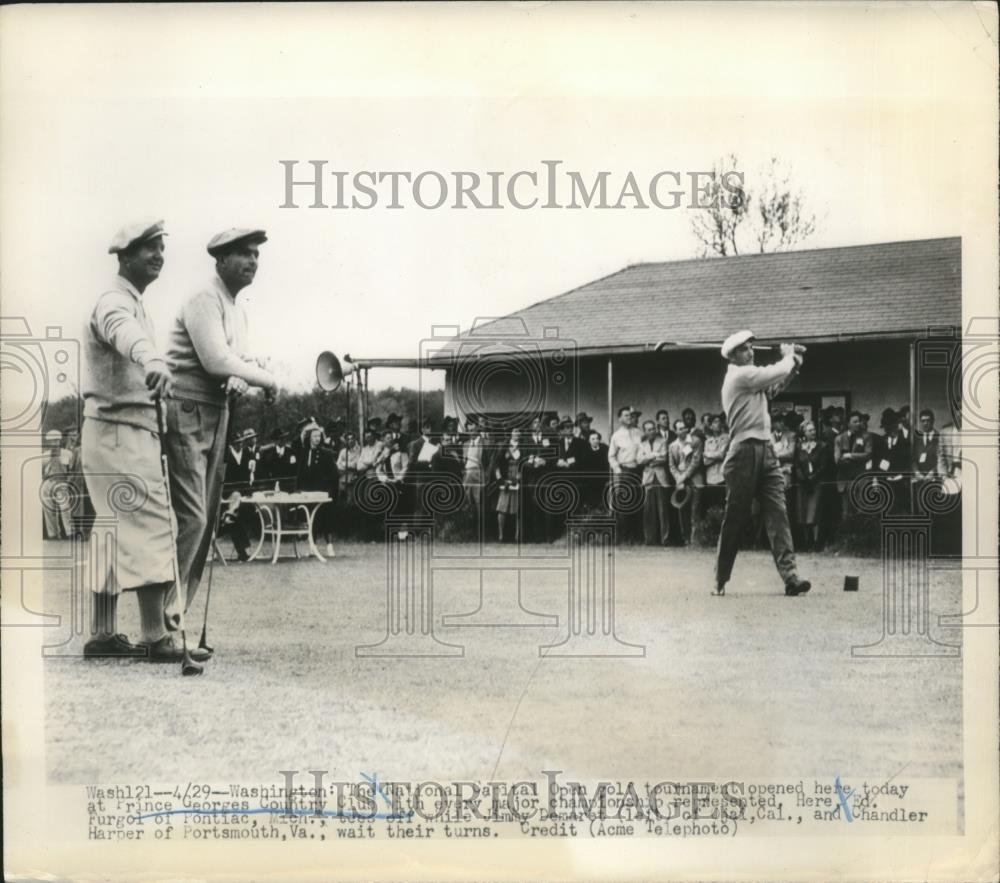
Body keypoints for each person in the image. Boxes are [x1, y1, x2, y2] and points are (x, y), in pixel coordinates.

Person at [80, 219, 207, 660]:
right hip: (122, 431)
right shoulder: (115, 301)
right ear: (124, 255)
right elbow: (124, 334)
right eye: (147, 247)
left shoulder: (131, 300)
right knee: (153, 521)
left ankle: (102, 633)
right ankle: (155, 636)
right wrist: (152, 358)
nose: (158, 255)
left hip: (110, 430)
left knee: (110, 529)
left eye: (160, 247)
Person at [162, 227, 279, 643]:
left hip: (219, 414)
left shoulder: (236, 309)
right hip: (186, 410)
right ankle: (163, 622)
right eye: (243, 254)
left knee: (207, 520)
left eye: (256, 255)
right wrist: (264, 378)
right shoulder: (203, 299)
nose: (252, 261)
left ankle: (175, 620)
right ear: (221, 260)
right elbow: (216, 361)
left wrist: (250, 375)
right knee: (192, 517)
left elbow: (237, 362)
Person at [713, 330, 811, 597]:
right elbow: (772, 373)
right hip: (742, 451)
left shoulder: (751, 381)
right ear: (733, 356)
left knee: (778, 514)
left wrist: (793, 368)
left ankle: (791, 578)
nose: (751, 352)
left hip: (767, 450)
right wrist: (789, 356)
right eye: (745, 349)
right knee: (735, 518)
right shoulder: (738, 376)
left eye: (751, 347)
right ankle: (720, 578)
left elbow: (775, 387)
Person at [297, 421, 339, 555]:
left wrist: (330, 492)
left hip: (324, 492)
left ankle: (329, 546)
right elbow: (300, 473)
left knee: (327, 519)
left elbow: (334, 474)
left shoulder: (327, 453)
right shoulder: (304, 453)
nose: (317, 439)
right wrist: (299, 490)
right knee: (311, 519)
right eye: (314, 436)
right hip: (308, 493)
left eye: (319, 436)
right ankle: (312, 546)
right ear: (309, 437)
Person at [608, 405, 643, 544]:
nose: (629, 418)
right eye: (626, 415)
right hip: (625, 471)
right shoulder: (616, 436)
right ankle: (624, 538)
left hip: (638, 470)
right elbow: (611, 456)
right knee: (625, 504)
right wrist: (618, 470)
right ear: (620, 418)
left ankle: (637, 537)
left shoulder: (639, 432)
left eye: (631, 415)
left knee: (639, 502)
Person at [794, 421, 830, 550]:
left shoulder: (822, 446)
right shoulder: (799, 447)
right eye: (809, 430)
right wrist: (803, 478)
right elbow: (797, 465)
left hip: (816, 484)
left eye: (814, 430)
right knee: (802, 513)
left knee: (814, 513)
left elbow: (824, 466)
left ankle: (815, 542)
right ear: (804, 432)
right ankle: (806, 541)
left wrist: (812, 478)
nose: (813, 432)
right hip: (802, 484)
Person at [668, 420, 703, 545]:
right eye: (680, 429)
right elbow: (671, 465)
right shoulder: (672, 446)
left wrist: (684, 476)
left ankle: (695, 541)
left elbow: (696, 461)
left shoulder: (695, 441)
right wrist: (678, 478)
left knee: (695, 510)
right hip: (680, 483)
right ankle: (686, 539)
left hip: (694, 480)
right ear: (676, 431)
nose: (683, 430)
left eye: (684, 428)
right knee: (682, 511)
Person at [834, 410, 874, 516]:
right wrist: (858, 458)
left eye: (859, 421)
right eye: (855, 422)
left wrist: (850, 455)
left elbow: (868, 454)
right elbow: (837, 460)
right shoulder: (839, 438)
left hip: (860, 479)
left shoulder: (866, 437)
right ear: (848, 424)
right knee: (846, 512)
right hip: (845, 480)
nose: (858, 424)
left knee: (861, 511)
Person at [638, 419, 671, 545]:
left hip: (660, 477)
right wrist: (652, 456)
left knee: (663, 509)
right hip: (648, 478)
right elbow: (639, 460)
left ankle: (665, 539)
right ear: (645, 431)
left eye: (653, 429)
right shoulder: (642, 444)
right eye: (649, 429)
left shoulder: (662, 441)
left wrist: (649, 460)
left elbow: (663, 458)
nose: (652, 431)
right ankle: (650, 539)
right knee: (648, 510)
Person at [521, 416, 554, 542]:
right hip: (533, 478)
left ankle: (549, 535)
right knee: (535, 507)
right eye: (534, 422)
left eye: (539, 422)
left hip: (545, 476)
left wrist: (545, 461)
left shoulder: (547, 439)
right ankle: (537, 536)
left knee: (547, 505)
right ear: (530, 426)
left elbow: (553, 454)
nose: (537, 424)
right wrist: (533, 464)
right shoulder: (526, 441)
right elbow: (523, 459)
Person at [873, 407, 911, 513]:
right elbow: (878, 463)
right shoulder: (881, 441)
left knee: (902, 513)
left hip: (902, 484)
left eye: (893, 426)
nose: (891, 430)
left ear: (897, 425)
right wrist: (880, 479)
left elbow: (908, 462)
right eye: (887, 428)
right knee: (887, 512)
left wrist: (902, 476)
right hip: (886, 484)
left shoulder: (905, 442)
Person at [495, 428, 525, 543]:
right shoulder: (503, 447)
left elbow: (526, 462)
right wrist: (500, 479)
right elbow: (496, 464)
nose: (517, 433)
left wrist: (521, 475)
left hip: (519, 481)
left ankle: (518, 536)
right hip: (505, 481)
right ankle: (501, 536)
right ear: (511, 433)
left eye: (519, 431)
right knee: (502, 509)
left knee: (519, 509)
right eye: (515, 431)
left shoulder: (523, 447)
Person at [41, 430, 70, 539]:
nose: (54, 443)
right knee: (48, 508)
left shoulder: (67, 453)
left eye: (56, 440)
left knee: (65, 507)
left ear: (60, 440)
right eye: (52, 441)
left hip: (62, 481)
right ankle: (53, 533)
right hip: (48, 481)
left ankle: (69, 533)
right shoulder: (44, 456)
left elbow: (71, 468)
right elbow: (41, 470)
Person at [701, 413, 730, 513]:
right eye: (715, 422)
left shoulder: (726, 438)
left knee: (724, 507)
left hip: (722, 477)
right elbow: (704, 462)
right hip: (711, 478)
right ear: (710, 426)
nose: (717, 424)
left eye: (719, 422)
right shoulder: (708, 442)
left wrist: (708, 454)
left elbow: (722, 454)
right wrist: (715, 456)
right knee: (713, 508)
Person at [576, 429, 611, 511]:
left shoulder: (605, 449)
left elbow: (607, 464)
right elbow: (583, 466)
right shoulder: (585, 451)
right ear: (588, 441)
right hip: (590, 479)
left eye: (597, 438)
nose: (595, 441)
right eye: (593, 439)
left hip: (603, 478)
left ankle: (601, 508)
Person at [912, 408, 945, 482]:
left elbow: (942, 459)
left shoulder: (939, 438)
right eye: (923, 421)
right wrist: (917, 472)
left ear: (933, 421)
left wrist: (933, 472)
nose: (925, 423)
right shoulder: (917, 438)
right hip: (919, 479)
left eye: (928, 420)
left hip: (934, 479)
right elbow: (913, 458)